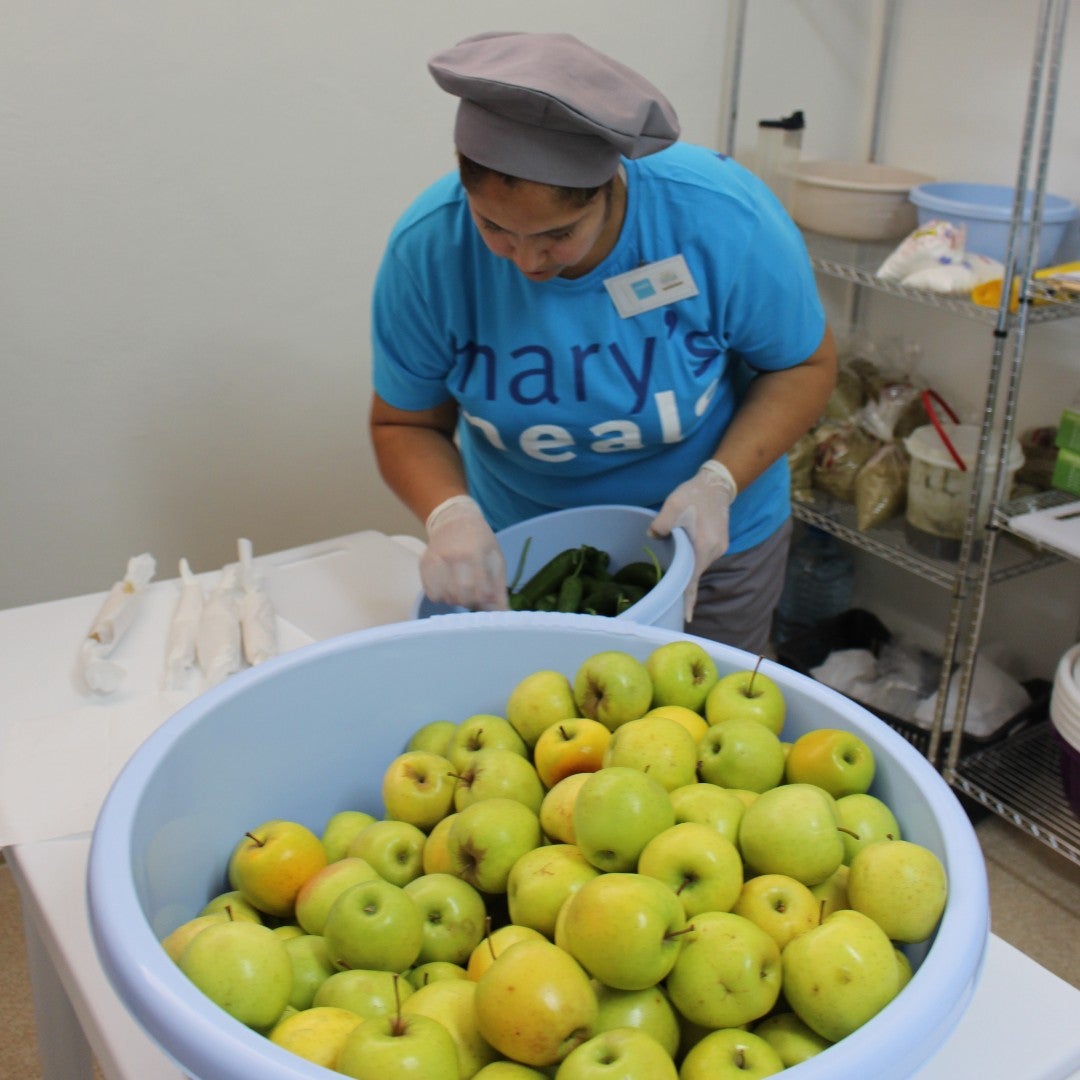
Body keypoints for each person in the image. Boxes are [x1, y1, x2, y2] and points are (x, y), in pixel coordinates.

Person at [369, 30, 837, 654]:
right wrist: (448, 512)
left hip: (711, 544)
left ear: (612, 185)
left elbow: (804, 364)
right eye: (495, 229)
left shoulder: (720, 219)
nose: (528, 262)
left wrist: (720, 482)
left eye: (558, 234)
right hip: (530, 556)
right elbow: (405, 423)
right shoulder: (429, 251)